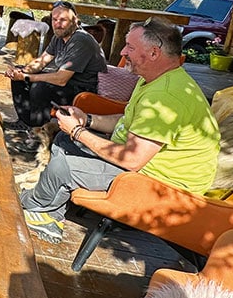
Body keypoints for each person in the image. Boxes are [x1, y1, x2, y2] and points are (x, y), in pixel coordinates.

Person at [20, 17, 220, 244]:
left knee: (64, 163)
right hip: (145, 166)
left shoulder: (165, 97)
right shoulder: (155, 80)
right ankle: (50, 211)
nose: (123, 52)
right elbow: (127, 121)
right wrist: (86, 120)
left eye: (130, 47)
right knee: (64, 143)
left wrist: (77, 131)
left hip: (165, 187)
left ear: (154, 53)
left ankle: (36, 205)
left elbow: (133, 160)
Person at [4, 0, 108, 129]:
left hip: (85, 89)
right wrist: (20, 72)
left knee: (40, 87)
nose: (57, 24)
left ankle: (39, 133)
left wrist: (26, 77)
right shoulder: (59, 37)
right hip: (69, 82)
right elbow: (41, 62)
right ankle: (26, 123)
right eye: (54, 20)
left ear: (75, 20)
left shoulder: (81, 40)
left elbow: (61, 79)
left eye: (63, 20)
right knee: (20, 76)